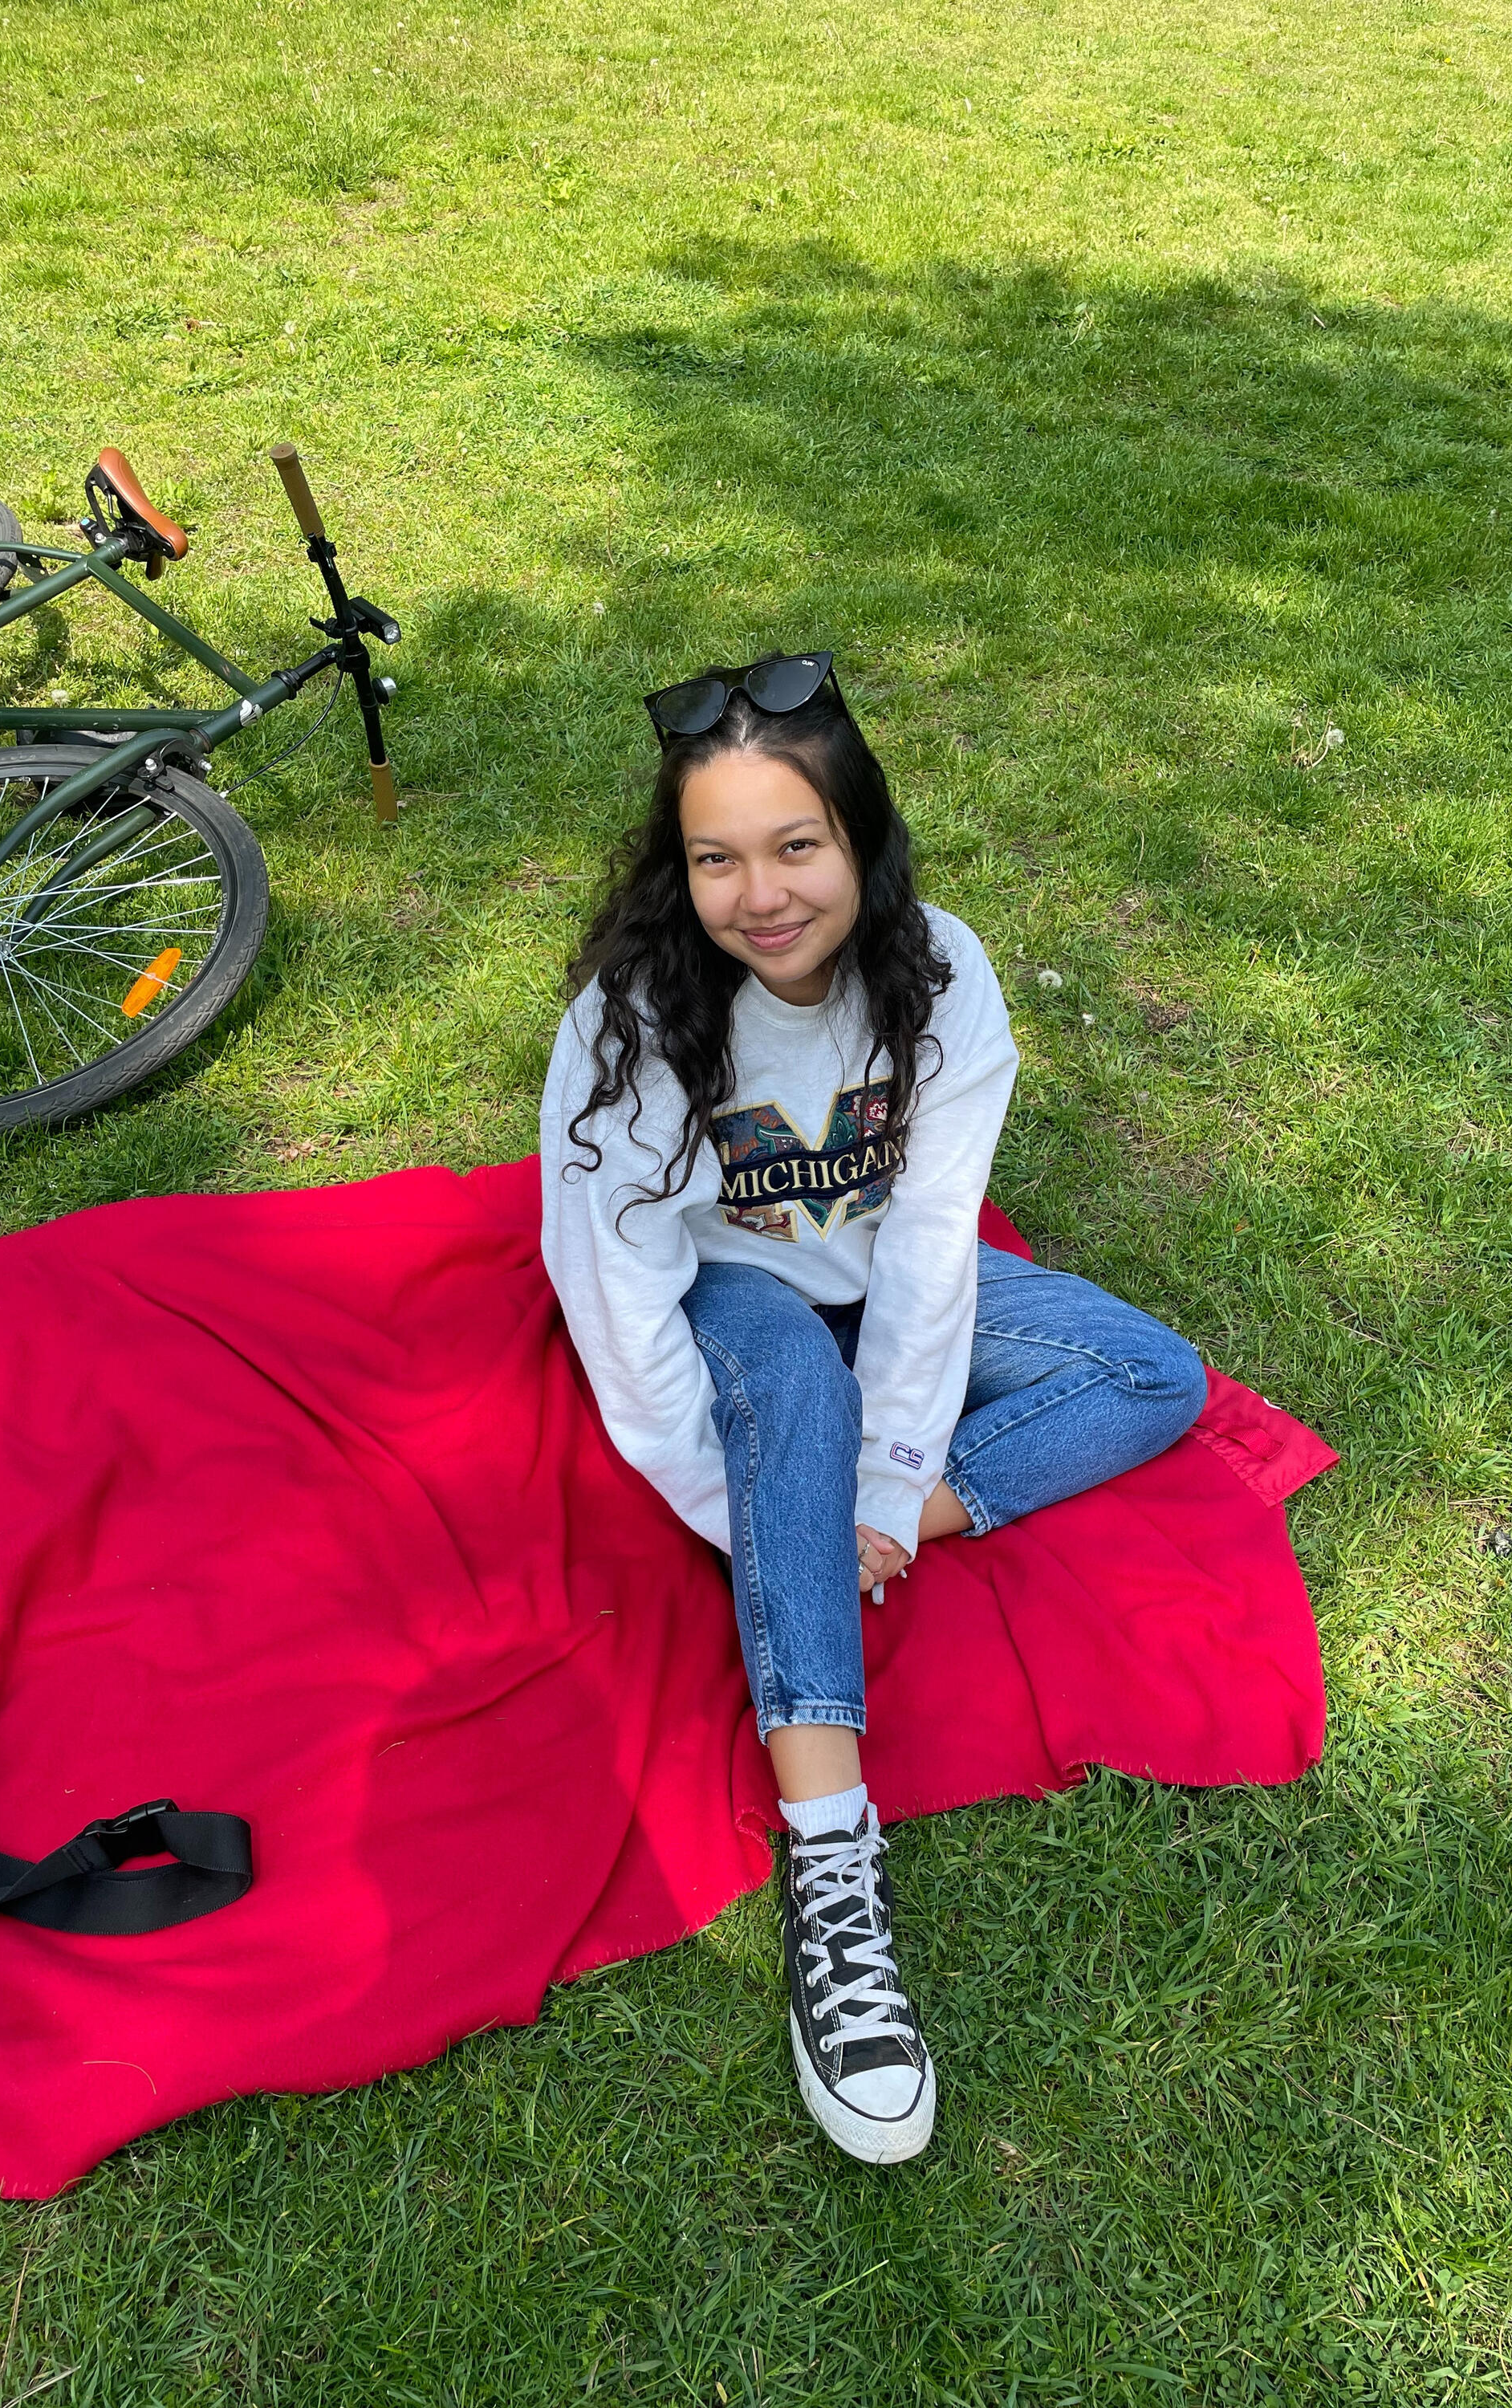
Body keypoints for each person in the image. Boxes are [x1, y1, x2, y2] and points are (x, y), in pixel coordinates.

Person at [539, 653, 1208, 2165]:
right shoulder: (631, 1020)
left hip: (877, 1280)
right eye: (716, 857)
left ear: (861, 839)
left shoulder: (943, 978)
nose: (759, 895)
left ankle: (875, 1512)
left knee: (1155, 1376)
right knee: (782, 1380)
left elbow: (930, 1253)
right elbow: (616, 1297)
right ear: (678, 866)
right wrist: (739, 1501)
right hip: (732, 1294)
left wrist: (877, 1491)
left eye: (796, 846)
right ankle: (834, 1878)